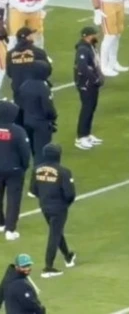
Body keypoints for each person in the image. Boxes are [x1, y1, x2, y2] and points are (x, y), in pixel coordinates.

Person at [31, 144, 77, 278]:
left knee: (56, 231)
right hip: (59, 207)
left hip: (44, 206)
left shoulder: (37, 169)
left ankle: (68, 256)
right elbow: (70, 194)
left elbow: (33, 190)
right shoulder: (64, 171)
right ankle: (48, 267)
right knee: (54, 234)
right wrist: (65, 204)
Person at [0, 101, 30, 243]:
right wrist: (24, 166)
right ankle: (10, 230)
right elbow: (25, 152)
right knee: (13, 200)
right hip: (14, 170)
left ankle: (0, 223)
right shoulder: (18, 131)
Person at [73, 26, 103, 150]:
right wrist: (94, 78)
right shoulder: (82, 49)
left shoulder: (90, 47)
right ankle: (81, 137)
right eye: (93, 34)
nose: (96, 36)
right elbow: (82, 67)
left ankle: (87, 134)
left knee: (92, 108)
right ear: (87, 36)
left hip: (92, 83)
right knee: (87, 109)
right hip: (86, 83)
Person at [19, 60, 56, 158]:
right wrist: (53, 118)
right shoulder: (43, 87)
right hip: (41, 123)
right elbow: (48, 108)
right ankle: (39, 170)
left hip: (27, 121)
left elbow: (21, 104)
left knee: (33, 150)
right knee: (42, 151)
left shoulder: (24, 85)